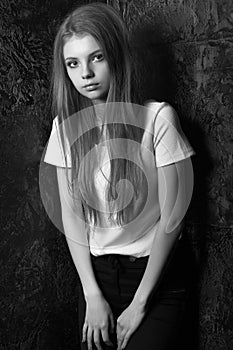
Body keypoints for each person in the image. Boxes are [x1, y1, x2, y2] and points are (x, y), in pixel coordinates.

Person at [43, 2, 196, 350]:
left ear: (116, 56)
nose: (86, 73)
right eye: (73, 63)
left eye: (96, 57)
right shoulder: (64, 129)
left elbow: (174, 219)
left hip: (154, 280)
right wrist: (92, 294)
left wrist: (140, 302)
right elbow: (72, 216)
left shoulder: (158, 119)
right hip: (95, 278)